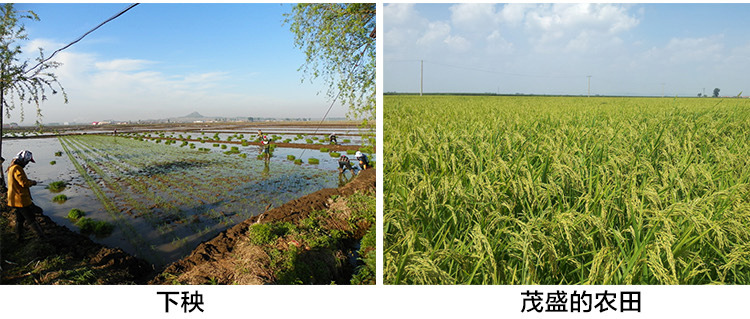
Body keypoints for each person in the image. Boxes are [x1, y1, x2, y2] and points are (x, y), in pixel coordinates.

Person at [7, 150, 45, 241]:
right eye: (27, 161)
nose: (27, 163)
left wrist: (30, 182)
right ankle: (41, 238)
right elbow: (23, 183)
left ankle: (19, 237)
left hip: (15, 199)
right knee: (31, 218)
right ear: (22, 160)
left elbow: (20, 181)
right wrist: (32, 182)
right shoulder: (17, 168)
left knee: (20, 219)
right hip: (20, 199)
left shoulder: (12, 167)